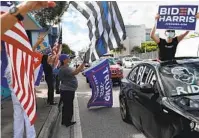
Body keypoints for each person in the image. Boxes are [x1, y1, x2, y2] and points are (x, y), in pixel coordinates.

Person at [58, 54, 86, 127]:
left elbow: (75, 71)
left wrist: (81, 66)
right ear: (64, 60)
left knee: (66, 106)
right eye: (67, 58)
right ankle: (67, 122)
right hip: (67, 90)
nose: (69, 59)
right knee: (68, 106)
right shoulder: (64, 68)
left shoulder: (65, 67)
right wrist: (83, 64)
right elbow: (75, 72)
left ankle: (64, 121)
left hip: (66, 89)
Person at [33, 36, 57, 105]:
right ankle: (50, 101)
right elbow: (50, 60)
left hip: (48, 75)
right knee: (51, 88)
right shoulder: (45, 61)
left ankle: (50, 100)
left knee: (51, 88)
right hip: (48, 75)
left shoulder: (44, 61)